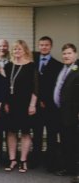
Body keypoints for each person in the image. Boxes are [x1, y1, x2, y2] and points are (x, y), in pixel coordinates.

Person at [4, 40, 38, 173]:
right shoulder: (8, 65)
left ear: (25, 50)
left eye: (19, 49)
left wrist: (32, 104)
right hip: (11, 104)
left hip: (25, 104)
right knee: (11, 132)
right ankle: (12, 159)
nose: (16, 51)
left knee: (25, 133)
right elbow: (5, 87)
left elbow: (36, 88)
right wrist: (6, 102)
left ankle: (23, 160)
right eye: (14, 49)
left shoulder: (31, 66)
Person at [30, 36, 63, 170]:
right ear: (39, 46)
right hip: (36, 106)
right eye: (41, 45)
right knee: (36, 134)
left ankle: (51, 162)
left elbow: (57, 87)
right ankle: (36, 160)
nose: (44, 47)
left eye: (46, 45)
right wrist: (37, 101)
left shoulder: (58, 65)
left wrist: (46, 102)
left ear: (51, 46)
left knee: (51, 135)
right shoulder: (32, 63)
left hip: (50, 108)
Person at [53, 44, 79, 179]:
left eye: (69, 53)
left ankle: (75, 171)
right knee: (65, 142)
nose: (66, 56)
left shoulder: (77, 69)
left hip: (73, 114)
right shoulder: (63, 69)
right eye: (64, 54)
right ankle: (67, 167)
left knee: (74, 143)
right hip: (61, 113)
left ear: (75, 54)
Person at [0, 39, 10, 164]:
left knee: (9, 130)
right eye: (0, 46)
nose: (2, 48)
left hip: (9, 100)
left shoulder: (12, 61)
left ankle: (11, 157)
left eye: (4, 46)